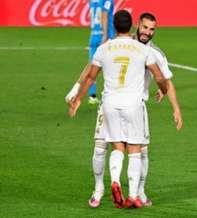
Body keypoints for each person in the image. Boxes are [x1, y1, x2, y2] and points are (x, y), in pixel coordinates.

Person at [65, 12, 183, 209]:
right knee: (106, 147)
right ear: (136, 25)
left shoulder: (152, 52)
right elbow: (161, 80)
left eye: (152, 29)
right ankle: (101, 189)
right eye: (145, 27)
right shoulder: (135, 49)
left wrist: (176, 108)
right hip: (129, 106)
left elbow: (166, 80)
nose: (147, 32)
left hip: (115, 103)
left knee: (130, 149)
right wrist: (76, 88)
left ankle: (138, 191)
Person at [88, 0, 115, 104]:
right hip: (105, 37)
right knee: (112, 67)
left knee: (92, 67)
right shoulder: (107, 0)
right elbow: (104, 13)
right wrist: (105, 34)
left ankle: (92, 95)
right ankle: (111, 94)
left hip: (93, 35)